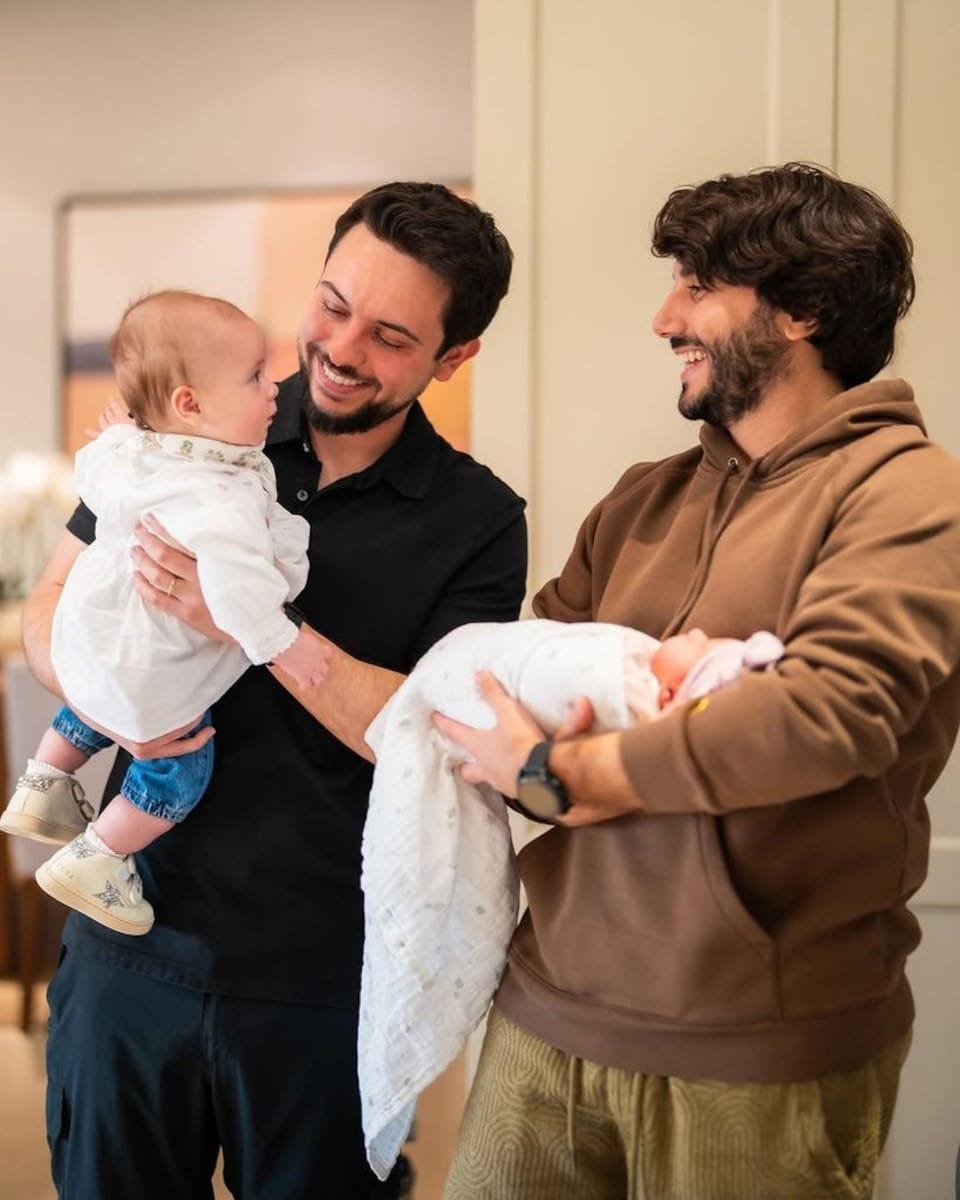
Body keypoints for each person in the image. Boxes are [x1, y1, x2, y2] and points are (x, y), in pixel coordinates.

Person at [435, 163, 960, 1200]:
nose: (664, 316)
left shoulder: (912, 492)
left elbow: (827, 714)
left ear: (803, 310)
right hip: (544, 1016)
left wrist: (572, 773)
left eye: (698, 285)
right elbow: (513, 690)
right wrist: (539, 767)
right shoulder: (641, 499)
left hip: (759, 1050)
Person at [25, 182, 527, 1199]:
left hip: (322, 980)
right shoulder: (191, 425)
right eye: (333, 304)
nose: (340, 348)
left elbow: (434, 739)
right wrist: (116, 700)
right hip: (131, 954)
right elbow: (50, 608)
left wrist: (256, 632)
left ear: (453, 357)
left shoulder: (477, 522)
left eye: (390, 335)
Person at [360, 621, 783, 1179]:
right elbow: (524, 735)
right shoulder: (615, 531)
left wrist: (561, 772)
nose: (698, 630)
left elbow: (818, 728)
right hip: (543, 1004)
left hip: (735, 1032)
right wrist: (544, 778)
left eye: (703, 648)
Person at [1, 290, 331, 935]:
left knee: (102, 691)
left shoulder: (133, 452)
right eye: (256, 377)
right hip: (151, 664)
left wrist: (122, 433)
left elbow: (93, 466)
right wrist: (282, 642)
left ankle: (43, 780)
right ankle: (100, 855)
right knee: (181, 763)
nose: (274, 391)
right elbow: (241, 598)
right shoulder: (221, 499)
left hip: (88, 638)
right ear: (191, 403)